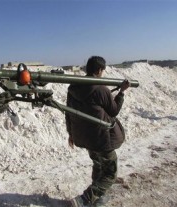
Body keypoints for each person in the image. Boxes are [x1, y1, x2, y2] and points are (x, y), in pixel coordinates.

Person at [65, 56, 130, 207]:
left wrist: (70, 133)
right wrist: (121, 93)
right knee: (110, 173)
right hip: (101, 138)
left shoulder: (74, 88)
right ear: (99, 70)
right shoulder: (101, 89)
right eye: (103, 71)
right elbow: (113, 111)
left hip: (85, 137)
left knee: (98, 165)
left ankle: (98, 198)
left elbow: (68, 112)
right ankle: (84, 199)